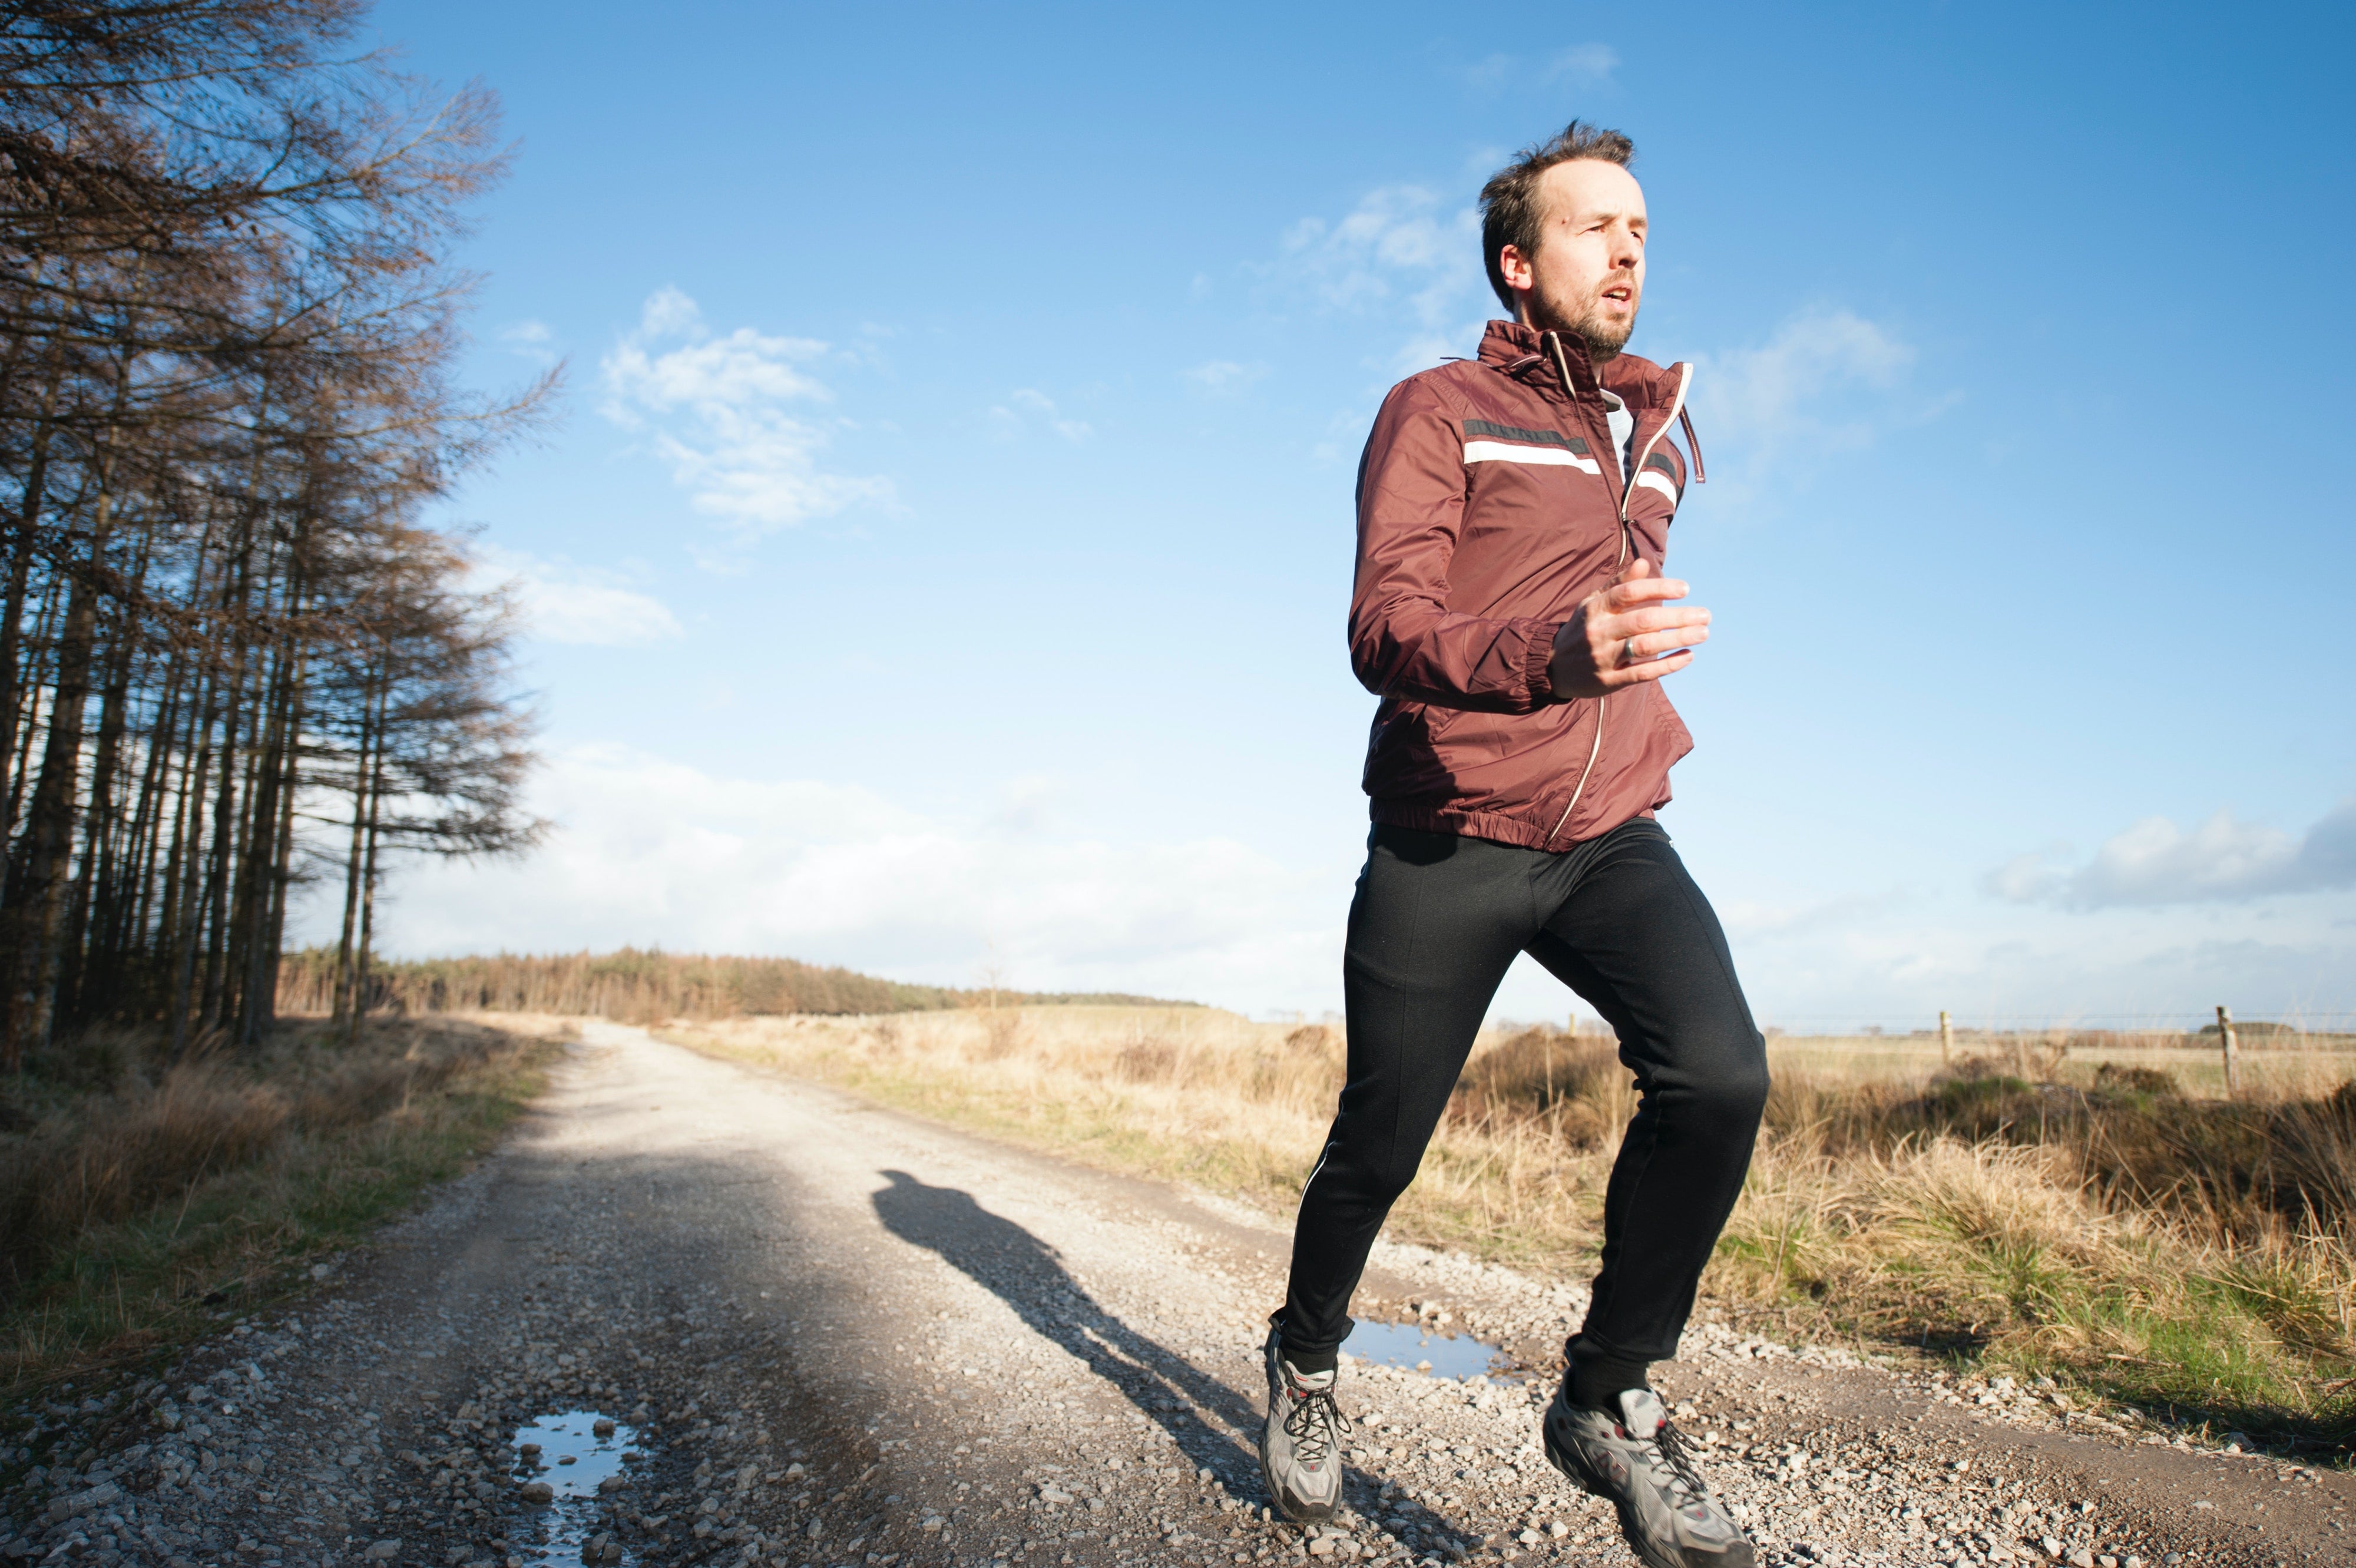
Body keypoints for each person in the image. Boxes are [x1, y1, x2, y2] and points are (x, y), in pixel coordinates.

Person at [1258, 122, 1769, 1568]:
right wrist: (1553, 648)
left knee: (1720, 1073)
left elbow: (1623, 591)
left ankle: (1606, 1395)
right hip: (1451, 828)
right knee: (1381, 1135)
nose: (1626, 250)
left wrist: (1615, 642)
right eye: (1594, 225)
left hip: (1610, 826)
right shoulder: (1436, 407)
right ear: (1516, 258)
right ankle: (1303, 1352)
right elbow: (1385, 625)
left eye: (1643, 230)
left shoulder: (1655, 431)